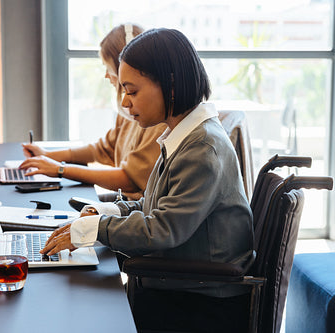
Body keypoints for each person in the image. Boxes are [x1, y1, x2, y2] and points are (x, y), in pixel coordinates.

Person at [41, 28, 254, 332]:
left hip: (202, 304)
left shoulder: (202, 150)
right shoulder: (184, 136)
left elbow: (162, 229)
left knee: (77, 308)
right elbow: (153, 205)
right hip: (184, 286)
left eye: (132, 90)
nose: (125, 103)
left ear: (169, 85)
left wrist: (94, 229)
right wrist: (106, 213)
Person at [20, 24, 166, 201]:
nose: (106, 76)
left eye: (108, 68)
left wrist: (60, 170)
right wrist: (48, 155)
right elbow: (103, 150)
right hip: (127, 204)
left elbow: (131, 180)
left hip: (135, 209)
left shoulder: (154, 118)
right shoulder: (128, 111)